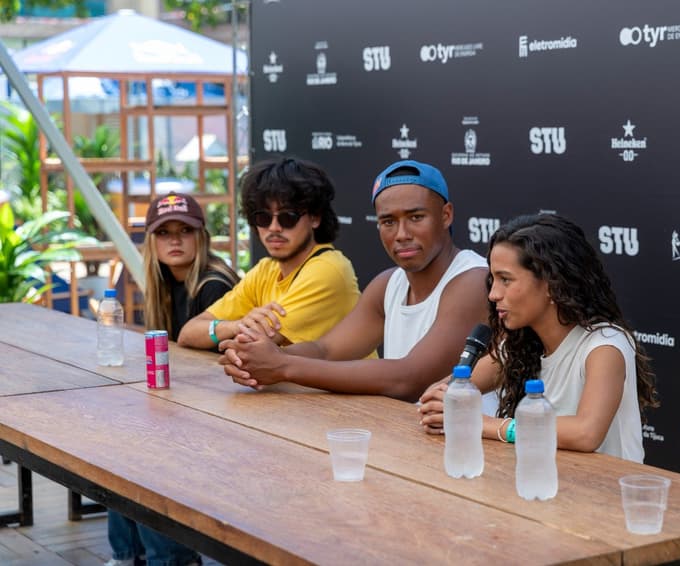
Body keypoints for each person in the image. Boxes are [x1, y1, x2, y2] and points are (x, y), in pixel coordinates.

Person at [219, 159, 490, 402]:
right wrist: (254, 356)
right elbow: (326, 350)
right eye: (388, 222)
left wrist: (282, 366)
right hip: (411, 440)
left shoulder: (473, 279)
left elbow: (409, 379)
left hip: (477, 449)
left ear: (446, 215)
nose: (402, 233)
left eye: (416, 217)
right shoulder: (388, 284)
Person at [418, 214, 659, 463]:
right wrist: (440, 405)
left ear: (551, 283)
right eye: (493, 279)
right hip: (543, 486)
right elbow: (444, 393)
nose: (493, 294)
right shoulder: (519, 344)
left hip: (606, 495)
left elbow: (586, 433)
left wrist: (486, 425)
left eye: (506, 280)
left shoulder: (604, 345)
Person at [106, 192, 239, 566]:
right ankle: (128, 555)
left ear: (202, 237)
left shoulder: (213, 284)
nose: (175, 240)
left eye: (185, 230)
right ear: (152, 241)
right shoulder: (165, 283)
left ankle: (173, 559)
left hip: (231, 415)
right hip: (193, 406)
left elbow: (218, 374)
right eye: (164, 233)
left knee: (147, 459)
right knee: (120, 448)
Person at [177, 156, 362, 352]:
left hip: (343, 383)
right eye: (263, 217)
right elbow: (188, 333)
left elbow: (250, 347)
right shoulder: (266, 269)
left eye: (287, 217)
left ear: (315, 218)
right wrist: (235, 325)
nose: (274, 227)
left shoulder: (327, 269)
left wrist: (228, 331)